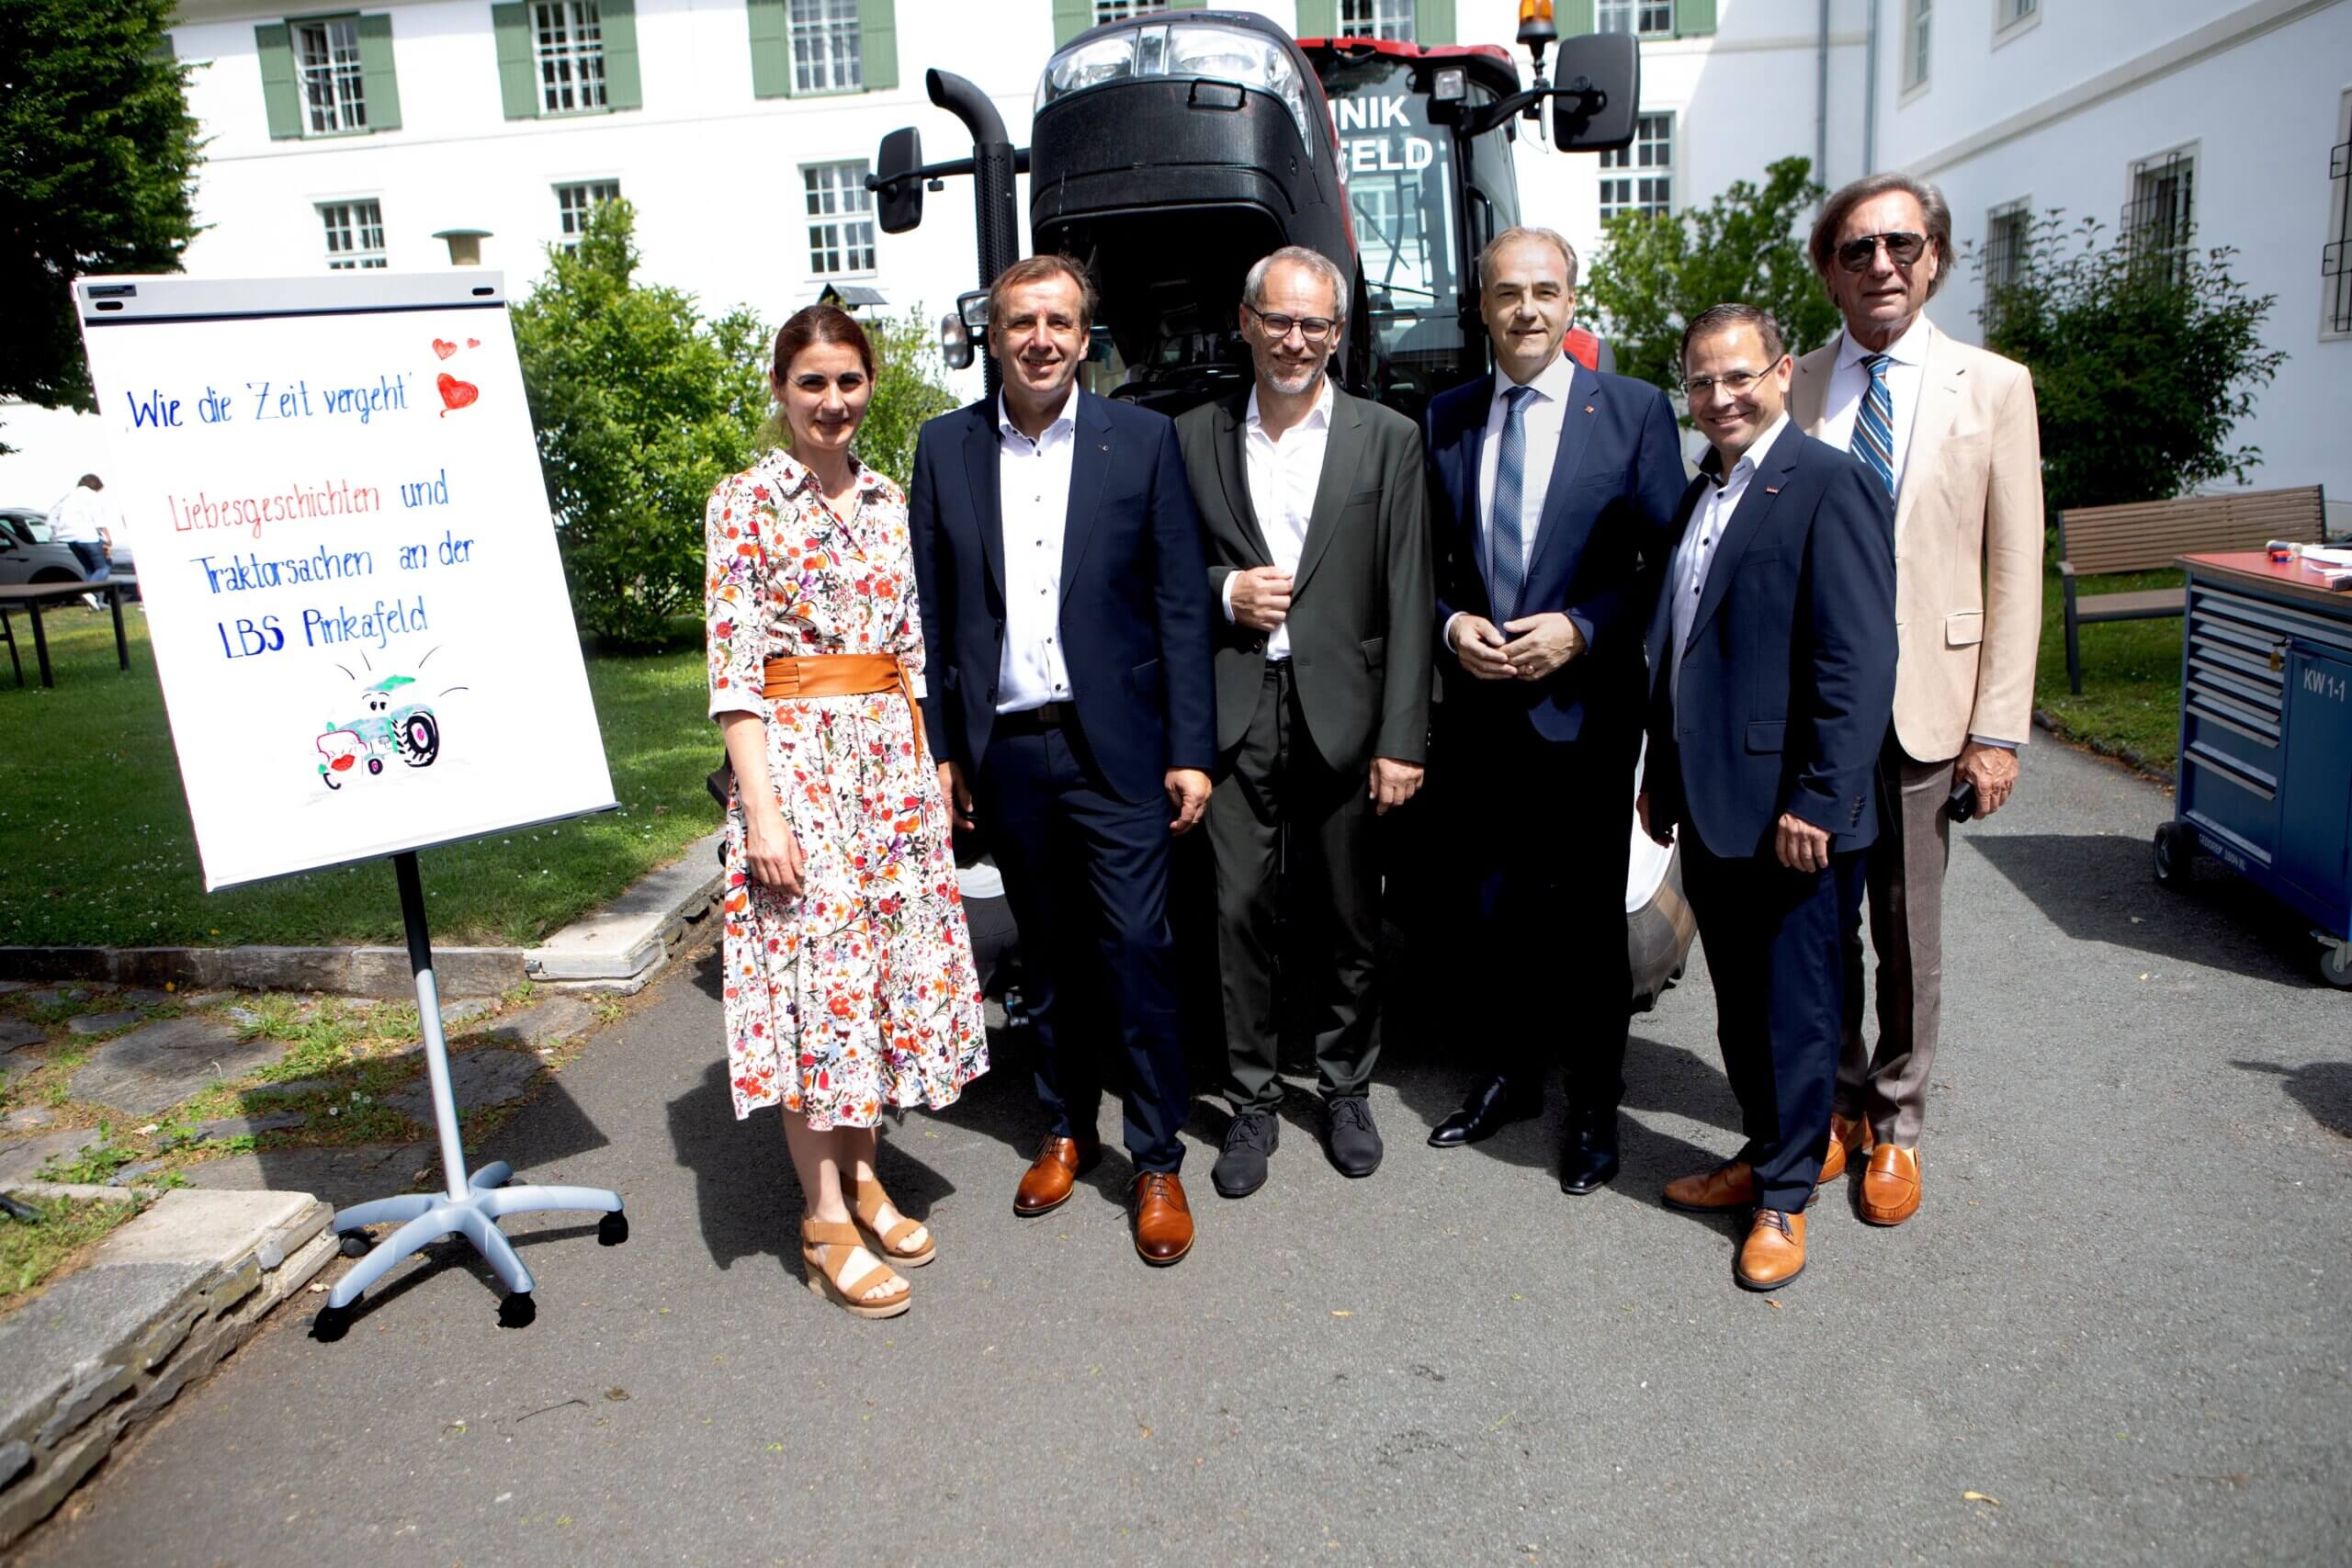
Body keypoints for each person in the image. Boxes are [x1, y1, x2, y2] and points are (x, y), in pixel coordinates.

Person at [907, 255, 1217, 1266]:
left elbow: (1178, 606)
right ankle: (1064, 1128)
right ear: (991, 337)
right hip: (1008, 751)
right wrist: (944, 752)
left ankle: (1157, 1157)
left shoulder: (1143, 441)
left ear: (1087, 339)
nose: (1040, 338)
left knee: (1135, 948)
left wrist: (1190, 749)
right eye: (1020, 322)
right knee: (1047, 959)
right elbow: (931, 616)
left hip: (1117, 748)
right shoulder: (943, 448)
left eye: (1059, 321)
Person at [704, 305, 989, 1320]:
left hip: (888, 769)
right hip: (799, 769)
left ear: (870, 387)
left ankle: (867, 1175)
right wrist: (764, 815)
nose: (832, 402)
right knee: (813, 989)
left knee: (873, 980)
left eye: (849, 382)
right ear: (781, 390)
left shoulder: (885, 498)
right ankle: (823, 1213)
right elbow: (734, 677)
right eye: (812, 383)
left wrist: (929, 773)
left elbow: (913, 648)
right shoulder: (742, 502)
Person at [1792, 174, 2044, 1224]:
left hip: (1928, 713)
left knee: (1906, 929)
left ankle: (1896, 1122)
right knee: (1814, 927)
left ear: (1933, 257)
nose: (1881, 265)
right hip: (1813, 711)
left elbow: (2014, 566)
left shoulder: (1992, 388)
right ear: (1828, 271)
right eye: (1858, 250)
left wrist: (1996, 730)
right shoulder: (1796, 385)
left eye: (1902, 244)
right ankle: (1837, 1107)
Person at [1420, 226, 1685, 1193]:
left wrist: (1581, 628)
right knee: (1491, 915)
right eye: (1505, 293)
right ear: (1480, 307)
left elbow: (1663, 564)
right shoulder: (1443, 418)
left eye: (1544, 291)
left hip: (1585, 715)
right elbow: (1430, 570)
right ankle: (1508, 1078)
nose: (1525, 309)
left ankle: (1593, 1108)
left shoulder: (1635, 411)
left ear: (1573, 302)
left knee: (1582, 929)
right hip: (1482, 723)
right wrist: (1451, 629)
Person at [1638, 302, 1896, 1291]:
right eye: (1701, 381)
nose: (1718, 397)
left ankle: (1786, 1200)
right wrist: (1661, 773)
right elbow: (1685, 646)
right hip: (1710, 800)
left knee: (1796, 1009)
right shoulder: (1702, 491)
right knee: (1741, 1006)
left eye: (1737, 376)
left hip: (1793, 812)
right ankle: (1762, 1152)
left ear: (1782, 372)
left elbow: (1858, 660)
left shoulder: (1830, 485)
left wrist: (1822, 800)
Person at [1174, 245, 1433, 1198]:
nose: (1294, 340)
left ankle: (1342, 1085)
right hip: (1236, 710)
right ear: (1245, 323)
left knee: (1346, 915)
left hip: (1348, 714)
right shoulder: (1191, 436)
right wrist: (1225, 587)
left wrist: (1405, 736)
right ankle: (1248, 1101)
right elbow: (1161, 577)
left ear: (1337, 333)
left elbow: (1410, 592)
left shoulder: (1385, 439)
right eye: (1277, 321)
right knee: (1236, 914)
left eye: (1314, 325)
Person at [48, 474, 114, 609]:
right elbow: (98, 519)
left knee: (90, 570)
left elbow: (52, 516)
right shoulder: (91, 495)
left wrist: (56, 532)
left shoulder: (68, 496)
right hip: (88, 536)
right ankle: (89, 592)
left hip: (69, 538)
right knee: (104, 567)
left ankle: (94, 603)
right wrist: (107, 538)